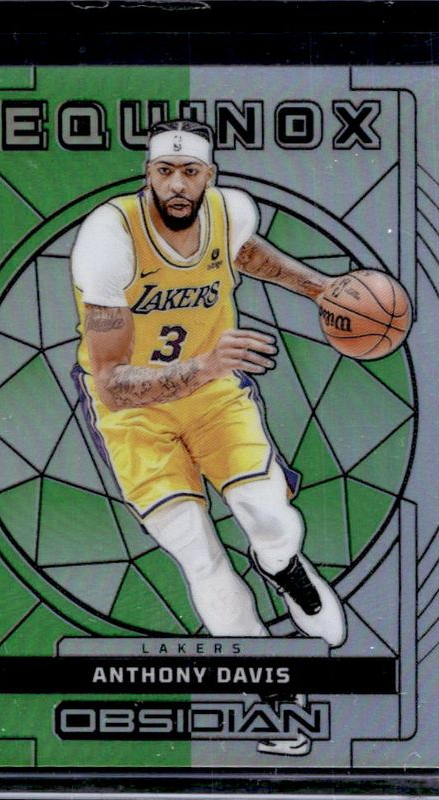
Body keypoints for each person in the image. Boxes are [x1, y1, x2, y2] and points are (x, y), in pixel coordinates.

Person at [70, 119, 346, 649]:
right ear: (147, 174)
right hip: (135, 415)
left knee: (271, 517)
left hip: (213, 397)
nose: (177, 183)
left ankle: (283, 567)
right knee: (198, 554)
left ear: (209, 175)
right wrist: (205, 364)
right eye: (165, 170)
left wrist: (320, 287)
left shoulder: (230, 211)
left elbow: (245, 252)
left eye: (190, 171)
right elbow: (110, 384)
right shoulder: (109, 237)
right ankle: (261, 670)